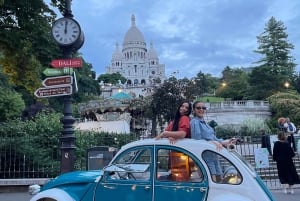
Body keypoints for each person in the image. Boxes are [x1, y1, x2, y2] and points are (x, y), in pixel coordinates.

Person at [190, 101, 236, 182]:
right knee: (213, 182)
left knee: (220, 180)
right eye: (198, 108)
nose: (201, 110)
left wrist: (227, 141)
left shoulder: (205, 123)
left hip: (214, 156)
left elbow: (215, 139)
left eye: (203, 108)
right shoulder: (195, 122)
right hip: (205, 157)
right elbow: (196, 140)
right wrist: (211, 142)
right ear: (194, 110)